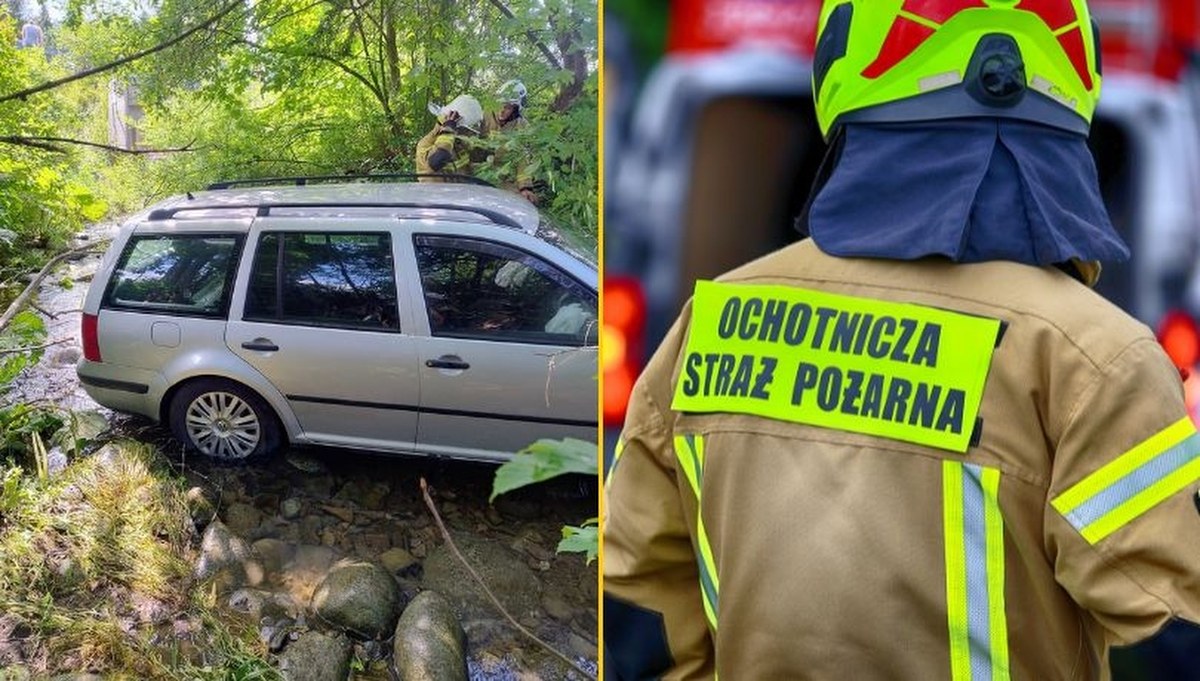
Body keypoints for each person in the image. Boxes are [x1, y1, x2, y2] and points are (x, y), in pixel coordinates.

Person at [603, 2, 1200, 679]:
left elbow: (636, 593)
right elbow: (1167, 629)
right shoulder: (1098, 360)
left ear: (841, 72)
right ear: (1071, 89)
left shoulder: (710, 320)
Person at [480, 80, 542, 205]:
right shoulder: (483, 117)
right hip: (479, 171)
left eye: (507, 107)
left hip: (506, 176)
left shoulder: (522, 126)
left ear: (515, 110)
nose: (502, 111)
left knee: (519, 202)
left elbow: (523, 158)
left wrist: (525, 187)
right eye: (500, 105)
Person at [415, 94, 483, 182]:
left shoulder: (460, 145)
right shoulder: (425, 144)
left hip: (460, 194)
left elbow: (466, 169)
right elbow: (437, 161)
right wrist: (448, 130)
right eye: (464, 130)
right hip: (434, 195)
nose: (467, 134)